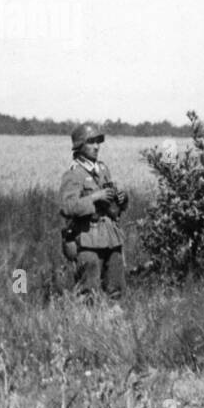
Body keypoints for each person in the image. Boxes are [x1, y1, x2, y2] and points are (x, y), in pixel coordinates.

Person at [59, 124, 128, 300]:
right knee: (89, 291)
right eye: (91, 142)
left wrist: (120, 199)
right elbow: (67, 207)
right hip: (87, 239)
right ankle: (87, 324)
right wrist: (95, 197)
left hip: (111, 238)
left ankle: (114, 323)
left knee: (116, 287)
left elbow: (113, 207)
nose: (97, 146)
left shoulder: (103, 169)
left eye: (98, 142)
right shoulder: (74, 175)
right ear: (80, 146)